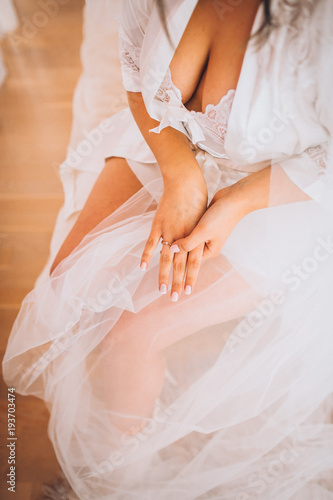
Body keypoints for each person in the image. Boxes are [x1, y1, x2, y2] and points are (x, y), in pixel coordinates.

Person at [3, 0, 333, 498]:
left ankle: (117, 477)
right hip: (172, 141)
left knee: (130, 332)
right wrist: (181, 177)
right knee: (68, 287)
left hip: (283, 186)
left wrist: (231, 206)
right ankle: (136, 407)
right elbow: (137, 76)